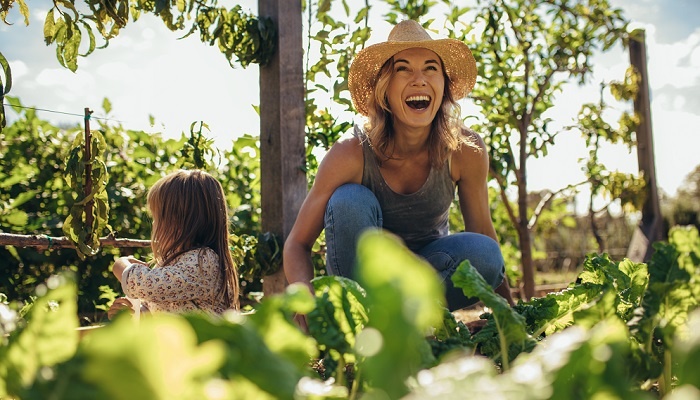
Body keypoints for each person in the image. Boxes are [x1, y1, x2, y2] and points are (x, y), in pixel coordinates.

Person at [283, 20, 515, 328]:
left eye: (431, 68)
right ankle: (364, 324)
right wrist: (304, 296)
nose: (419, 80)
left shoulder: (465, 149)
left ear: (443, 86)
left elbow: (484, 233)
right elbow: (297, 244)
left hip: (431, 275)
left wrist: (511, 315)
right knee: (349, 200)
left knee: (486, 253)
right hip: (363, 286)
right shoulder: (350, 154)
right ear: (385, 89)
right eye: (404, 69)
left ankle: (409, 323)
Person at [108, 169, 239, 319]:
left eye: (156, 217)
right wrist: (135, 313)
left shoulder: (203, 261)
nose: (154, 224)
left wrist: (121, 265)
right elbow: (162, 307)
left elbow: (147, 285)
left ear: (177, 222)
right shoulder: (172, 262)